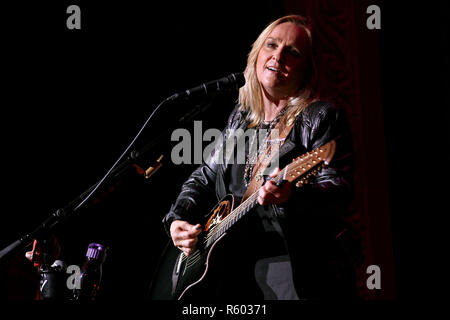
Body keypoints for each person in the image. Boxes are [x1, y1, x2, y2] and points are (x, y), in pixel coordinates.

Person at [161, 15, 360, 301]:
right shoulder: (241, 121)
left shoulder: (320, 117)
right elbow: (204, 176)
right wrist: (178, 219)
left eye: (293, 52)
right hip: (235, 274)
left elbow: (339, 190)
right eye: (272, 45)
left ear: (306, 69)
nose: (278, 56)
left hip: (291, 270)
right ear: (257, 54)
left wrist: (291, 198)